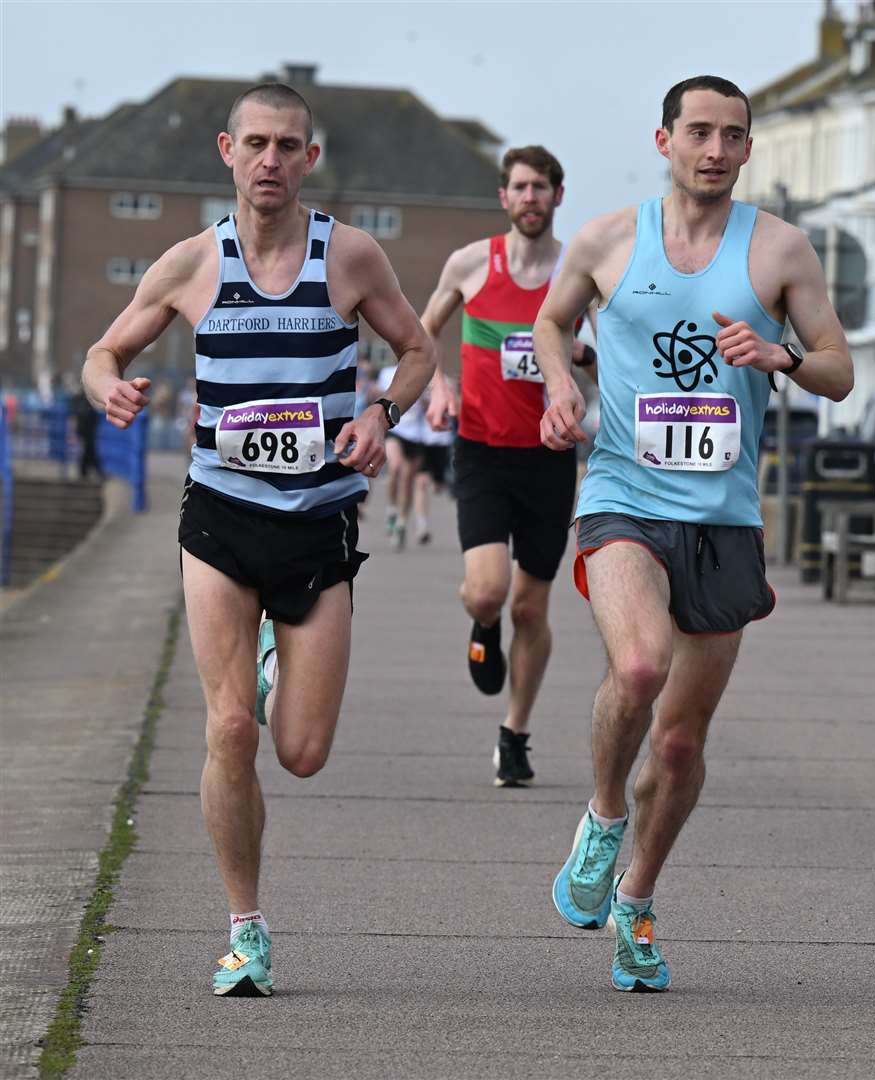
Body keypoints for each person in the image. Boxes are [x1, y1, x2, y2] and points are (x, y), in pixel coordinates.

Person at [81, 82, 436, 997]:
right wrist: (107, 388)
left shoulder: (349, 257)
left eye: (289, 146)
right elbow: (101, 353)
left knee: (301, 752)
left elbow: (419, 350)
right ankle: (245, 929)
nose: (271, 160)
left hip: (317, 521)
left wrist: (381, 413)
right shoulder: (190, 264)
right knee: (229, 728)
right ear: (226, 151)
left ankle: (278, 656)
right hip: (222, 517)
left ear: (309, 159)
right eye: (257, 145)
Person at [534, 75, 853, 992]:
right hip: (623, 495)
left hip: (723, 518)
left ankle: (636, 899)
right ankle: (601, 820)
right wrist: (563, 389)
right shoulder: (606, 239)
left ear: (748, 150)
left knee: (677, 745)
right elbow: (552, 324)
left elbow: (839, 370)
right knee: (637, 668)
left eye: (732, 136)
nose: (714, 149)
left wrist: (779, 353)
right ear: (664, 139)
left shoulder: (781, 250)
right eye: (698, 132)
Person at [420, 145, 596, 787]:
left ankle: (515, 733)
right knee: (490, 591)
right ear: (504, 197)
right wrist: (439, 385)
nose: (530, 198)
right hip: (483, 450)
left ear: (558, 195)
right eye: (519, 187)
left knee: (532, 608)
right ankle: (480, 623)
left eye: (541, 187)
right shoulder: (470, 264)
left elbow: (611, 354)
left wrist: (583, 358)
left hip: (550, 457)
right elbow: (420, 331)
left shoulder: (580, 271)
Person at [377, 359, 450, 548]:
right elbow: (376, 397)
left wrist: (427, 399)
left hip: (415, 435)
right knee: (396, 467)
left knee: (409, 479)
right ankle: (392, 509)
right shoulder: (386, 373)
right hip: (395, 430)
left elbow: (430, 404)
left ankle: (401, 521)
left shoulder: (421, 370)